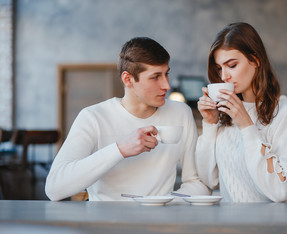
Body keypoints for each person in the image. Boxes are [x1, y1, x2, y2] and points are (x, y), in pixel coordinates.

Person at [45, 37, 210, 201]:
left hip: (160, 223)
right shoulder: (93, 117)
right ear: (128, 79)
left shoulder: (180, 113)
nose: (166, 85)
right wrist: (120, 149)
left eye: (166, 74)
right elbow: (54, 189)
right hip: (104, 224)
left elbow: (197, 182)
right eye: (155, 77)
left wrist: (165, 201)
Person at [196, 22, 287, 203]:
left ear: (255, 60)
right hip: (233, 228)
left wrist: (247, 125)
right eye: (219, 68)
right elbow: (209, 181)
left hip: (274, 228)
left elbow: (280, 191)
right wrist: (209, 123)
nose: (224, 76)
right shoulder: (226, 114)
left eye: (231, 65)